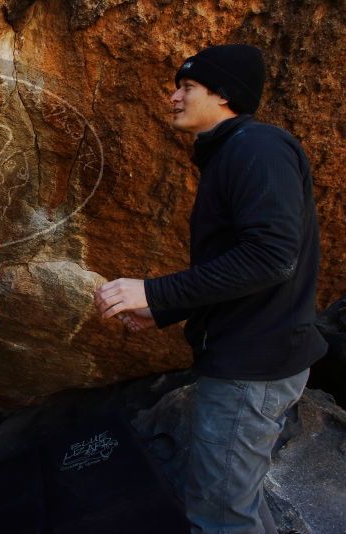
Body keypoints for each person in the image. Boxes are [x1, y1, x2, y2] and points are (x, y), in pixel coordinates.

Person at [94, 45, 328, 533]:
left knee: (220, 516)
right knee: (235, 503)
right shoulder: (237, 151)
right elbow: (243, 268)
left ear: (223, 95)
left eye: (187, 87)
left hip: (251, 370)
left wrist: (156, 293)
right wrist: (169, 311)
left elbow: (270, 258)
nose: (174, 97)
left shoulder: (256, 148)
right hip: (254, 359)